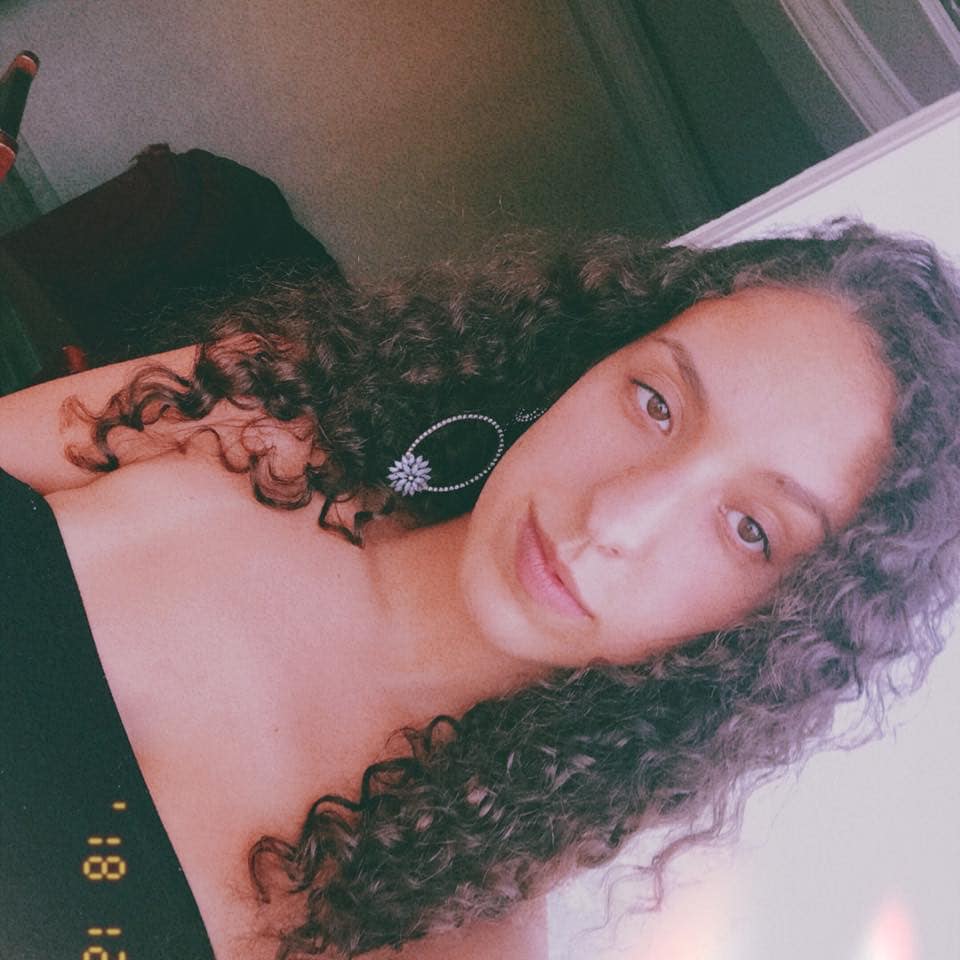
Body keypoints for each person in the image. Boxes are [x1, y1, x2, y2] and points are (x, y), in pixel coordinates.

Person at [2, 220, 959, 960]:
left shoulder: (437, 939)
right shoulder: (255, 416)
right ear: (594, 354)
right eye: (656, 401)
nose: (615, 519)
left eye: (750, 529)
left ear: (773, 635)